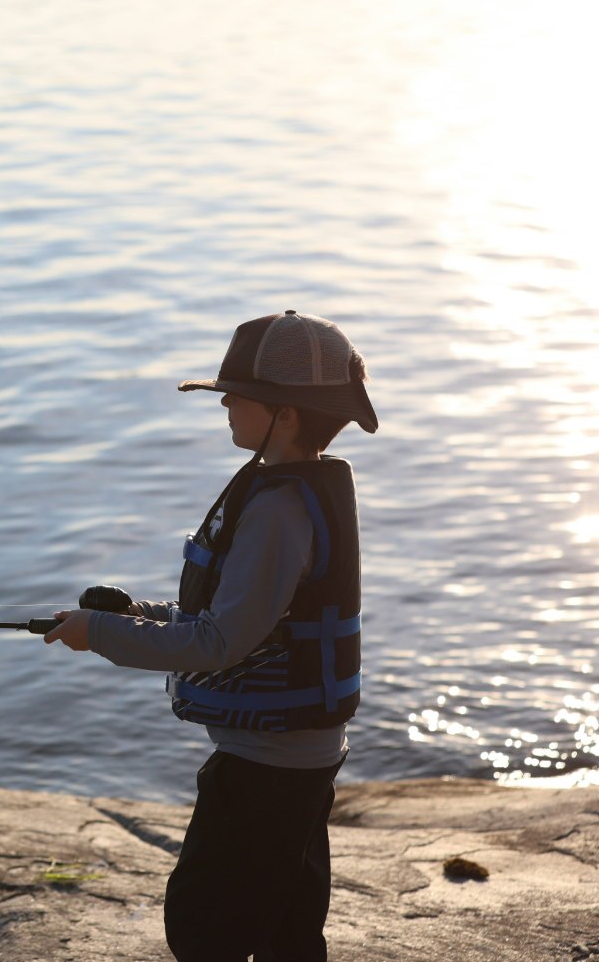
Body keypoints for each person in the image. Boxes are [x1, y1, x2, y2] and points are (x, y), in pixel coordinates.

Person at [45, 309, 377, 962]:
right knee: (288, 930)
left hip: (266, 771)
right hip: (299, 757)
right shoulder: (290, 493)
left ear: (283, 414)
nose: (224, 402)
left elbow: (219, 644)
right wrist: (134, 610)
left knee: (202, 927)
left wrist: (102, 634)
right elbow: (248, 620)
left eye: (236, 393)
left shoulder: (278, 512)